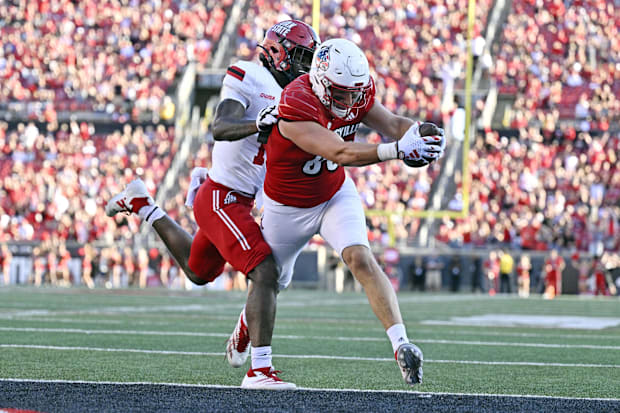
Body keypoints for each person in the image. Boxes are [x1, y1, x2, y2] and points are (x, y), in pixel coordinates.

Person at [105, 20, 320, 390]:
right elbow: (221, 125)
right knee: (264, 272)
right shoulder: (250, 74)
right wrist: (260, 122)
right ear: (277, 51)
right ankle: (260, 371)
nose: (304, 65)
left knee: (199, 272)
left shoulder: (297, 94)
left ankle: (143, 204)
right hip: (222, 197)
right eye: (299, 56)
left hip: (240, 198)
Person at [259, 38, 446, 386]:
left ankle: (402, 345)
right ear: (319, 81)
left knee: (361, 258)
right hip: (287, 206)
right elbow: (341, 152)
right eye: (341, 93)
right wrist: (396, 151)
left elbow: (392, 124)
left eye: (354, 93)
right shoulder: (296, 103)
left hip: (332, 193)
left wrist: (421, 134)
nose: (349, 101)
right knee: (268, 282)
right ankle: (246, 336)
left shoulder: (355, 92)